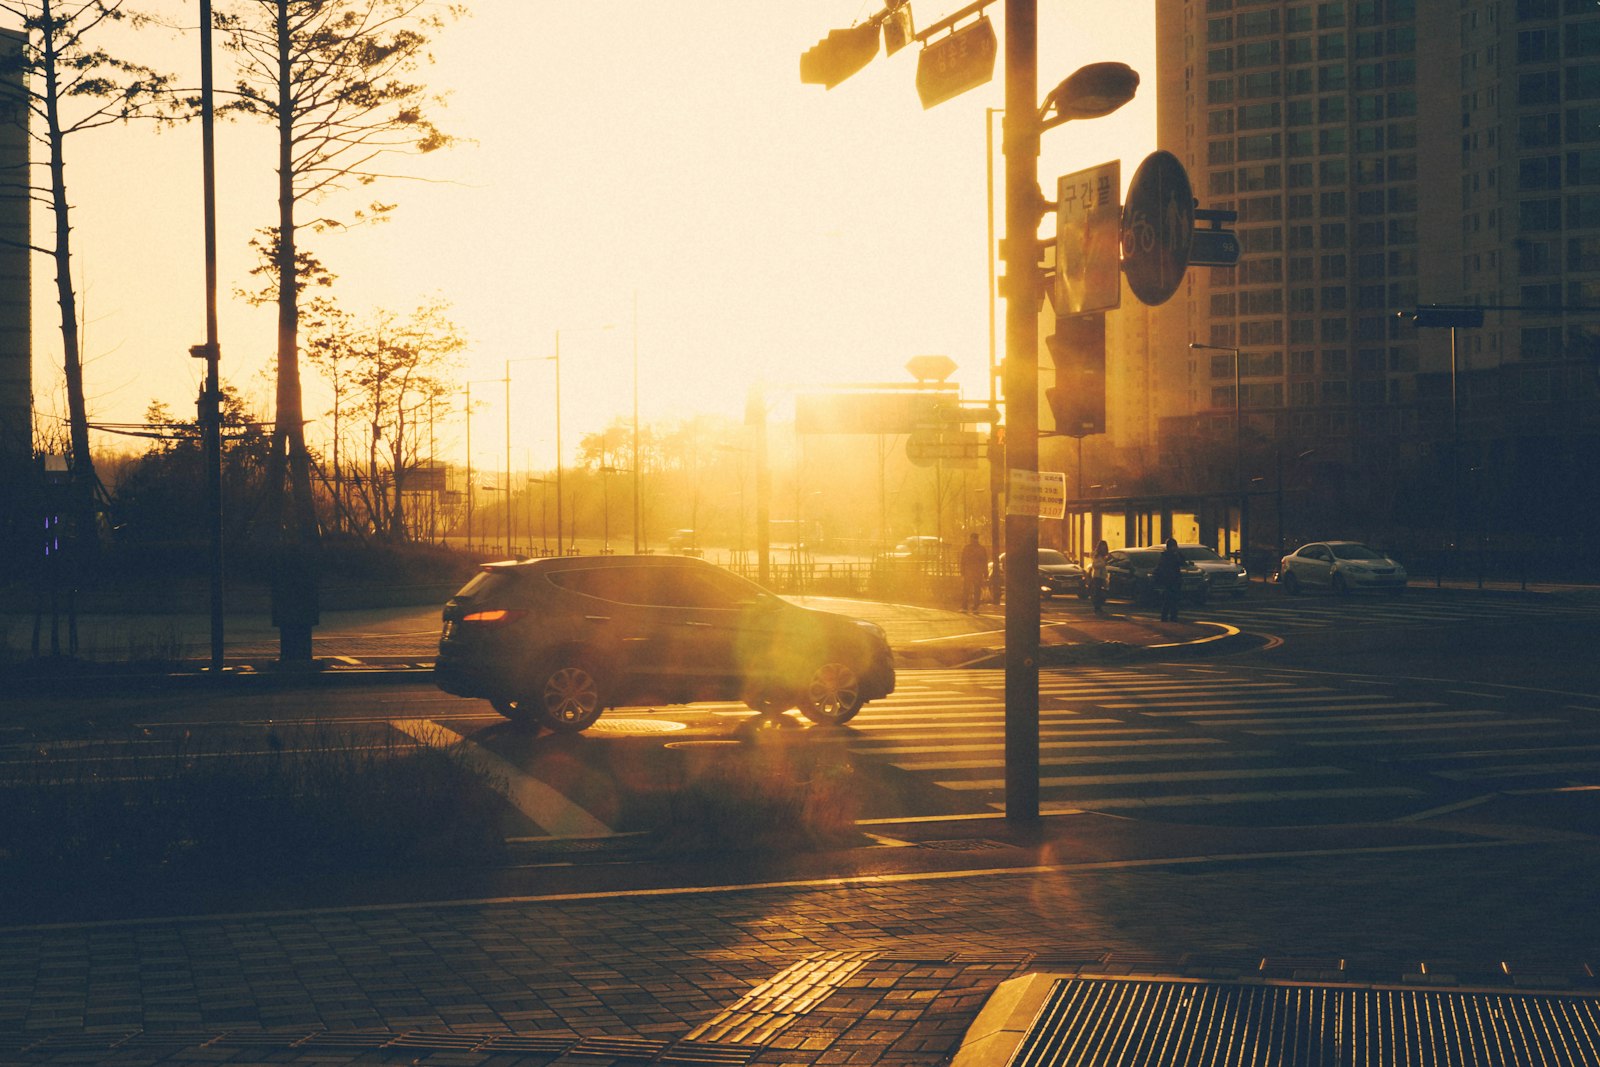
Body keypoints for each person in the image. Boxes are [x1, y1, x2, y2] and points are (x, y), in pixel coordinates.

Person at [1153, 536, 1185, 622]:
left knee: (1174, 600)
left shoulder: (1175, 555)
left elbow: (1183, 562)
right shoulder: (1166, 556)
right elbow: (1164, 568)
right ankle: (1165, 617)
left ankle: (1173, 617)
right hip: (1169, 581)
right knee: (1168, 600)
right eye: (1173, 546)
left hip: (1175, 580)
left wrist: (1178, 554)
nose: (1175, 548)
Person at [959, 532, 989, 612]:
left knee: (966, 589)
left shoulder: (967, 548)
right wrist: (986, 573)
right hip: (978, 572)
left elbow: (963, 560)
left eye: (972, 539)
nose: (972, 540)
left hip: (969, 572)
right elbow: (984, 561)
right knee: (977, 590)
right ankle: (975, 607)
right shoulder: (981, 549)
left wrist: (962, 571)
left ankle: (964, 607)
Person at [1088, 540, 1110, 616]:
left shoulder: (1104, 555)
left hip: (1103, 576)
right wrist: (1104, 563)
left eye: (1105, 546)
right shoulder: (1096, 555)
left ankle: (1099, 607)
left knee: (1102, 592)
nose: (1103, 548)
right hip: (1097, 576)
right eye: (1102, 546)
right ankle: (1097, 608)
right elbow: (1095, 565)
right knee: (1097, 592)